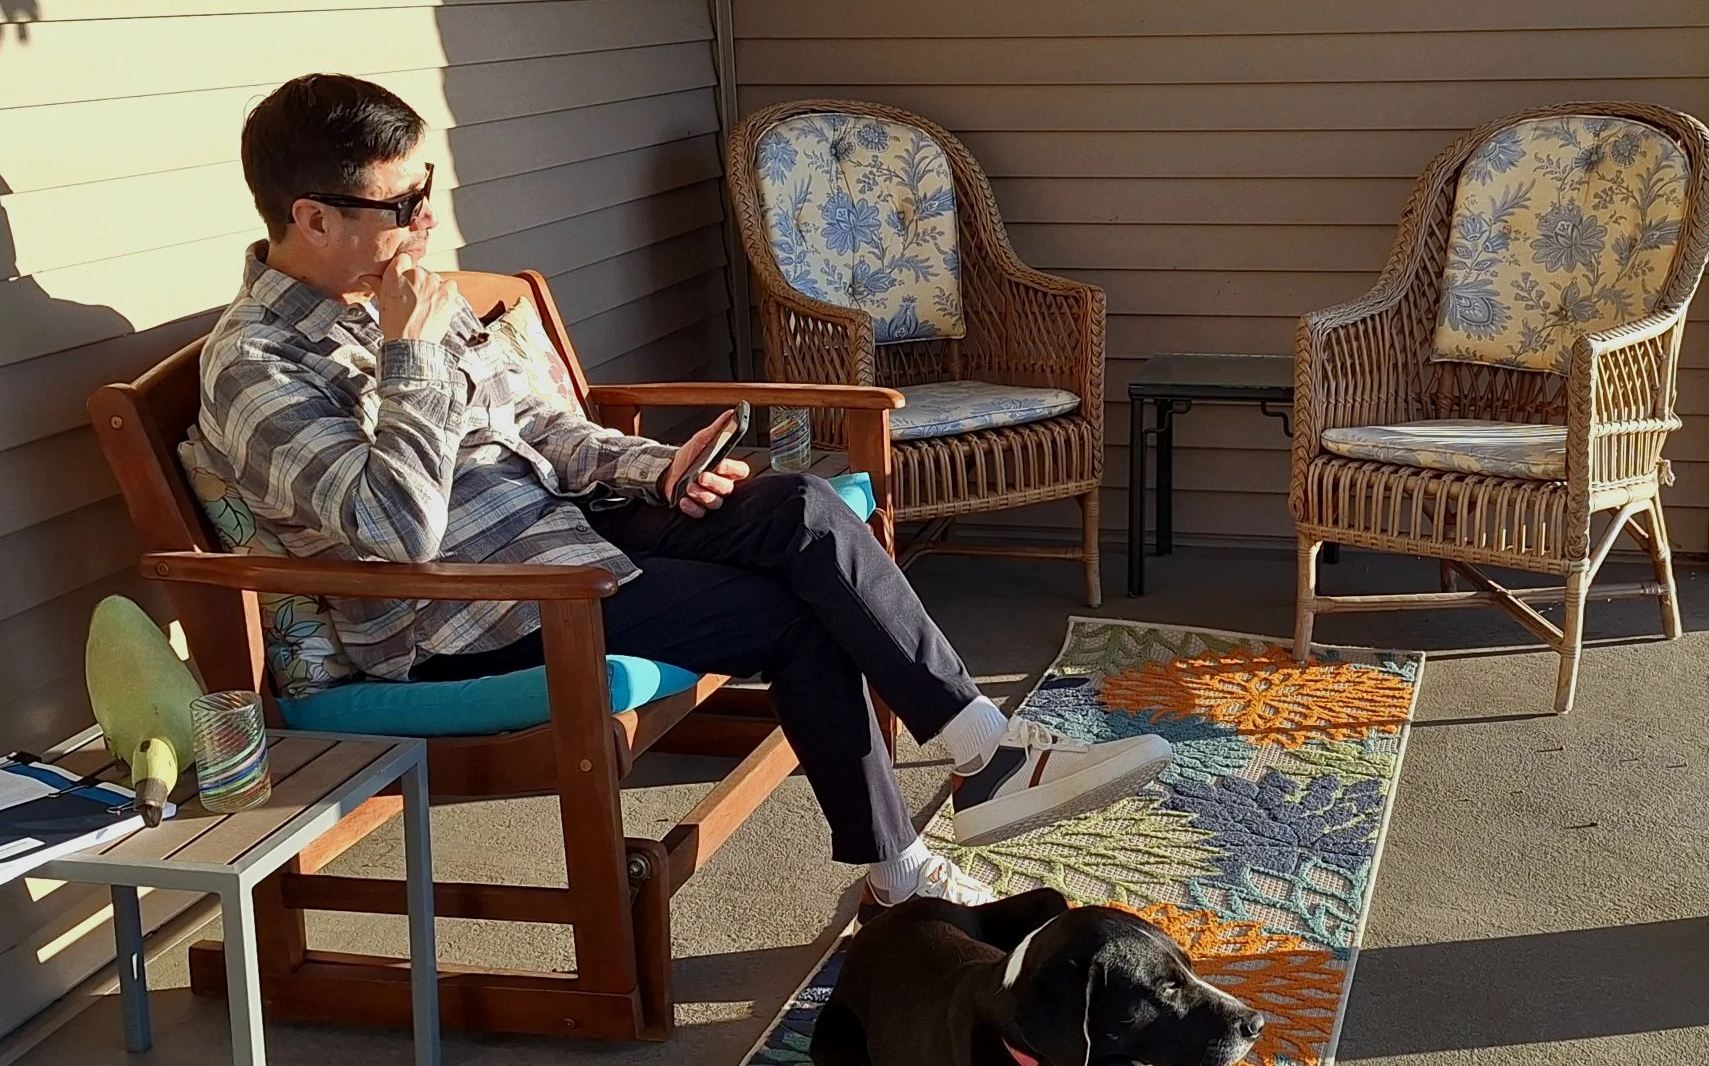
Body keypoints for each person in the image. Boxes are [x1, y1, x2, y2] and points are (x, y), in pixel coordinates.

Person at [199, 74, 1170, 912]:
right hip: (470, 613)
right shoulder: (258, 368)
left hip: (562, 529)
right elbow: (396, 534)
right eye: (400, 205)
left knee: (796, 507)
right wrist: (409, 351)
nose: (427, 222)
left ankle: (983, 752)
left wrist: (653, 468)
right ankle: (900, 872)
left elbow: (541, 430)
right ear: (312, 217)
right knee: (792, 612)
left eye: (428, 190)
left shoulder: (409, 292)